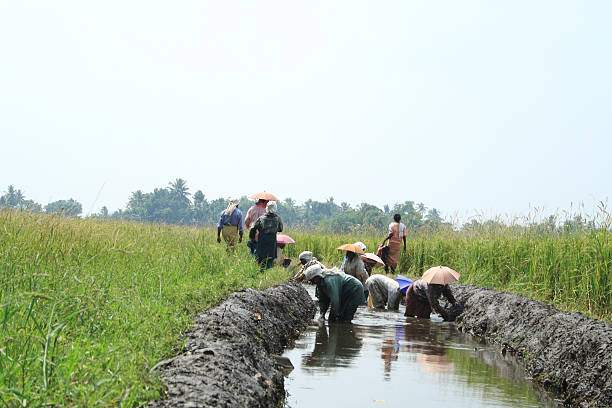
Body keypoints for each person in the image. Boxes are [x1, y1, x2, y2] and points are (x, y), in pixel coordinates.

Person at [249, 201, 283, 269]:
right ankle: (268, 272)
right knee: (270, 258)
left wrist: (252, 238)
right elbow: (280, 229)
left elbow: (253, 228)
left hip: (262, 240)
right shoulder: (278, 218)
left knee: (261, 257)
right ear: (275, 208)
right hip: (272, 240)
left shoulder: (261, 218)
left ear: (267, 208)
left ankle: (260, 271)